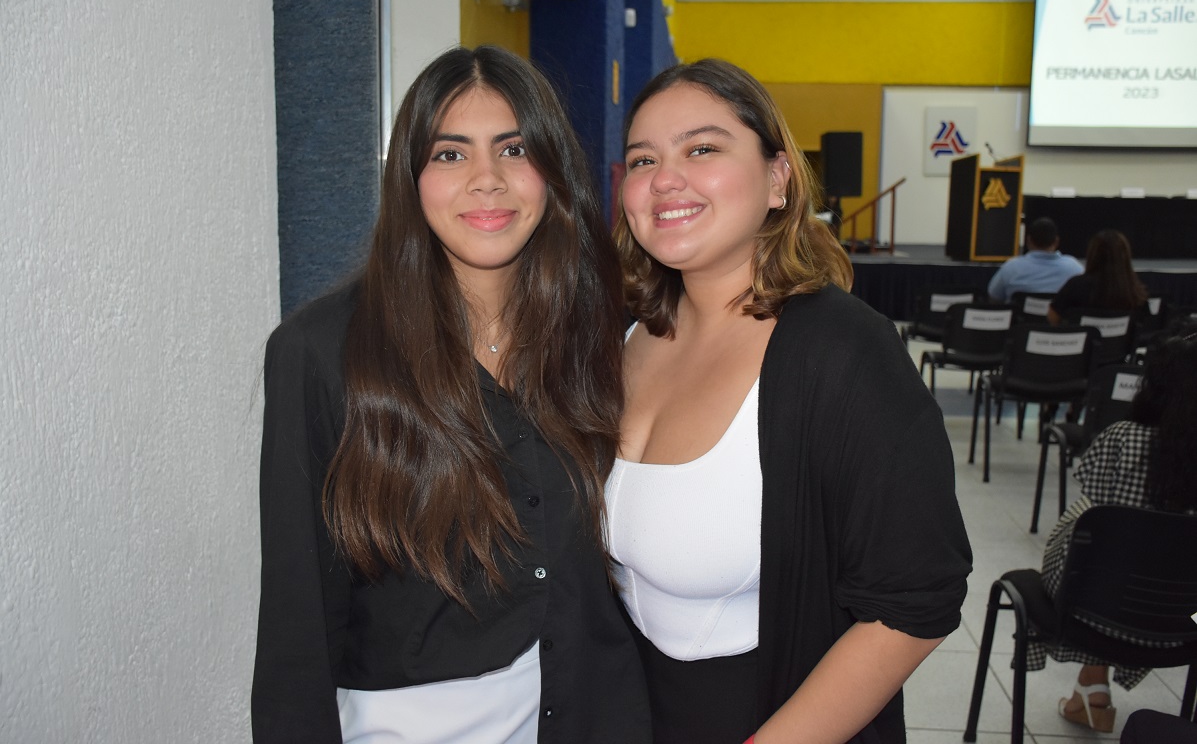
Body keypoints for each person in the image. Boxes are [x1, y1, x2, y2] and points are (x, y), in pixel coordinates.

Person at [251, 46, 651, 744]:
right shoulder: (321, 352)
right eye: (450, 154)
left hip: (590, 713)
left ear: (552, 171)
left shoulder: (602, 334)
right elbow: (298, 614)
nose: (486, 180)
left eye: (514, 149)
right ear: (410, 177)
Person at [605, 58, 973, 744]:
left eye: (702, 149)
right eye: (643, 159)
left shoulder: (844, 352)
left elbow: (915, 602)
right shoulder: (622, 337)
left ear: (777, 179)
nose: (665, 179)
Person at [1029, 321, 1197, 733]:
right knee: (1144, 558)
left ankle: (1092, 689)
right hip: (1181, 613)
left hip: (1093, 603)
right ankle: (1090, 691)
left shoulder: (1121, 437)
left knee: (1102, 543)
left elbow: (1100, 508)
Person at [1047, 228, 1147, 323]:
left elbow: (1053, 317)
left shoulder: (1075, 286)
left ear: (1092, 254)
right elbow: (1145, 323)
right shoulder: (1135, 292)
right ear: (1125, 256)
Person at [986, 216, 1083, 302]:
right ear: (1056, 241)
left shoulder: (1010, 267)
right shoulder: (1075, 269)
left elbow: (994, 299)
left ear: (1028, 240)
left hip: (1020, 318)